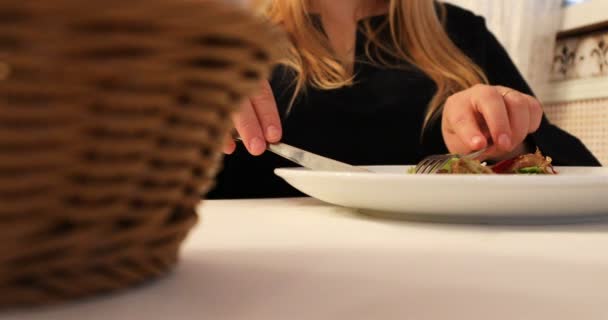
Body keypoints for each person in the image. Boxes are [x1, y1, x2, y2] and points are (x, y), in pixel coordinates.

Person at [207, 0, 600, 199]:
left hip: (451, 271)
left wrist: (509, 140)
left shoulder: (460, 33)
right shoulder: (225, 36)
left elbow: (577, 170)